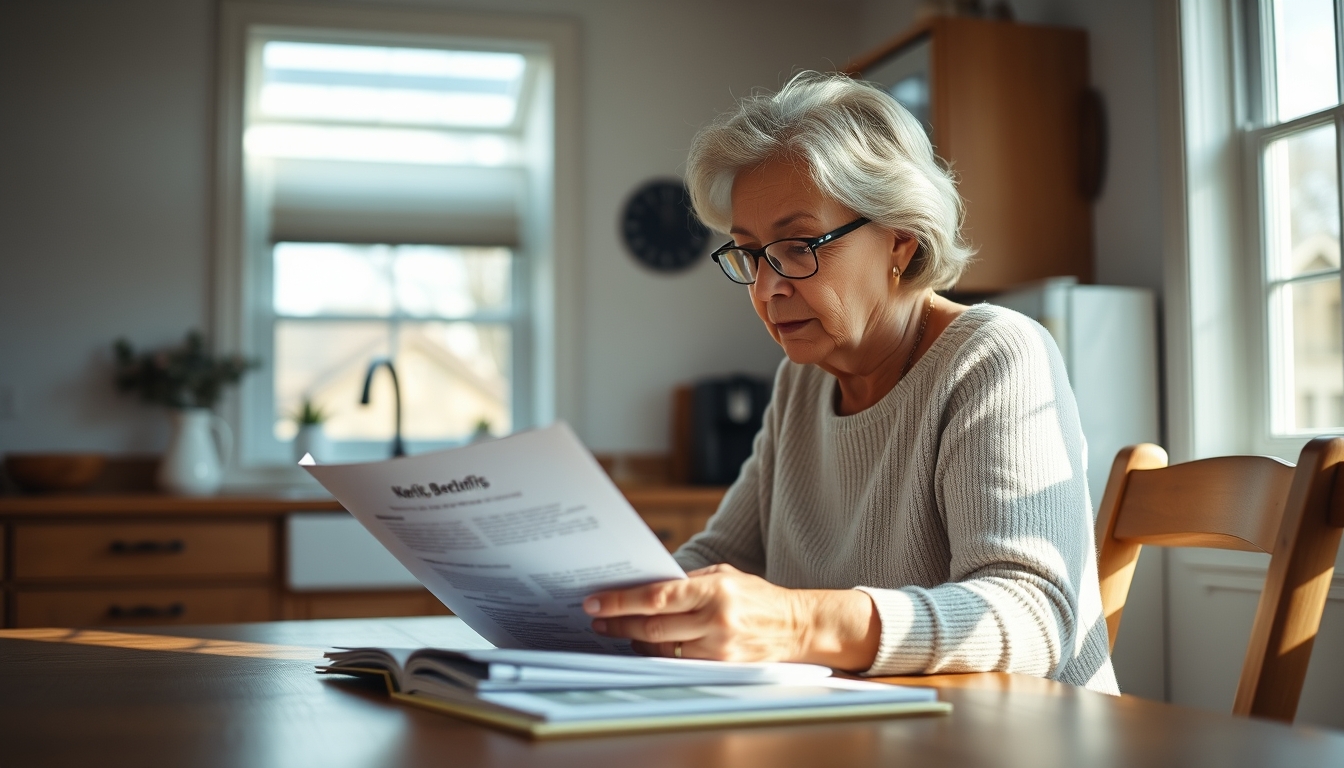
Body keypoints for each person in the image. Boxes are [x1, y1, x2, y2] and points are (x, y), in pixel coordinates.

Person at [583, 71, 1119, 693]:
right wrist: (597, 609)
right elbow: (716, 560)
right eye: (751, 253)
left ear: (900, 237)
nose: (768, 287)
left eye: (799, 244)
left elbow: (1035, 620)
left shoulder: (993, 354)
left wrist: (796, 623)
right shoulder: (800, 383)